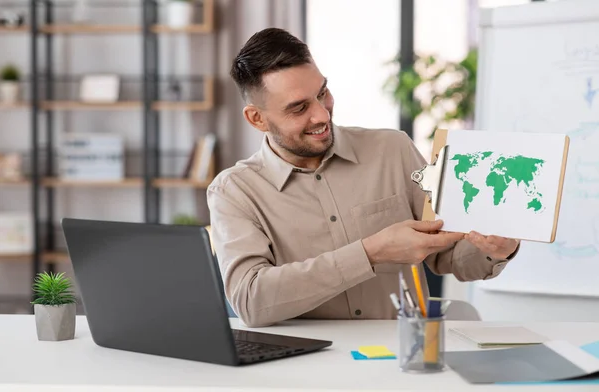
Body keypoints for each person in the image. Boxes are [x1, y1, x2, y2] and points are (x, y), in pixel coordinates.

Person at [207, 28, 520, 328]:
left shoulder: (392, 150)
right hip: (302, 368)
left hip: (400, 357)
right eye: (299, 108)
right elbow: (250, 300)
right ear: (257, 118)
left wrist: (494, 249)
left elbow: (449, 254)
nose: (322, 114)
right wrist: (370, 253)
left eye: (322, 93)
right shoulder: (234, 192)